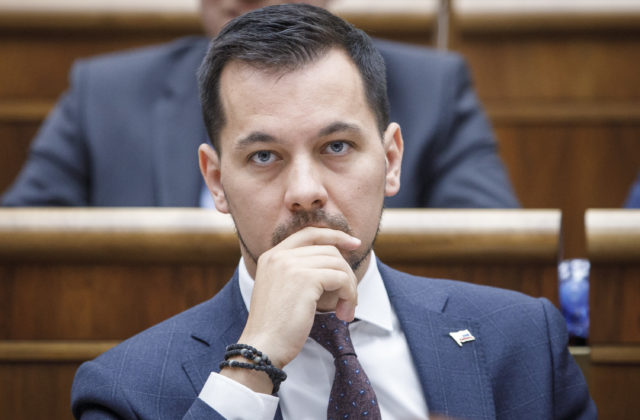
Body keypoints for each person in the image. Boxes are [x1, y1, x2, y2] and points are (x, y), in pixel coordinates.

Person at [71, 5, 594, 419]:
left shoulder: (524, 340)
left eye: (337, 147)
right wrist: (253, 363)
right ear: (216, 181)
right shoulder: (125, 389)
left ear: (391, 161)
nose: (306, 192)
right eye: (264, 156)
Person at [1, 0, 519, 209]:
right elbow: (22, 253)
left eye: (337, 146)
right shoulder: (103, 93)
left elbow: (493, 253)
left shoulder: (432, 88)